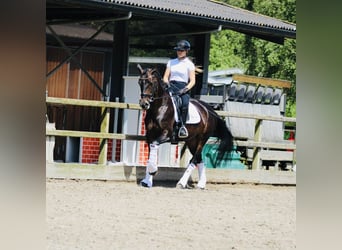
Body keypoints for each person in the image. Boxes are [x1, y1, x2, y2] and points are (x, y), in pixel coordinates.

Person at [163, 40, 196, 138]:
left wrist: (185, 89)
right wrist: (167, 83)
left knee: (185, 104)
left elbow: (193, 81)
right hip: (171, 86)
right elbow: (165, 77)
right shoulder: (171, 62)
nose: (179, 52)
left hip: (183, 87)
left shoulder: (189, 64)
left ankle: (182, 126)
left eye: (181, 50)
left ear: (186, 51)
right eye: (178, 50)